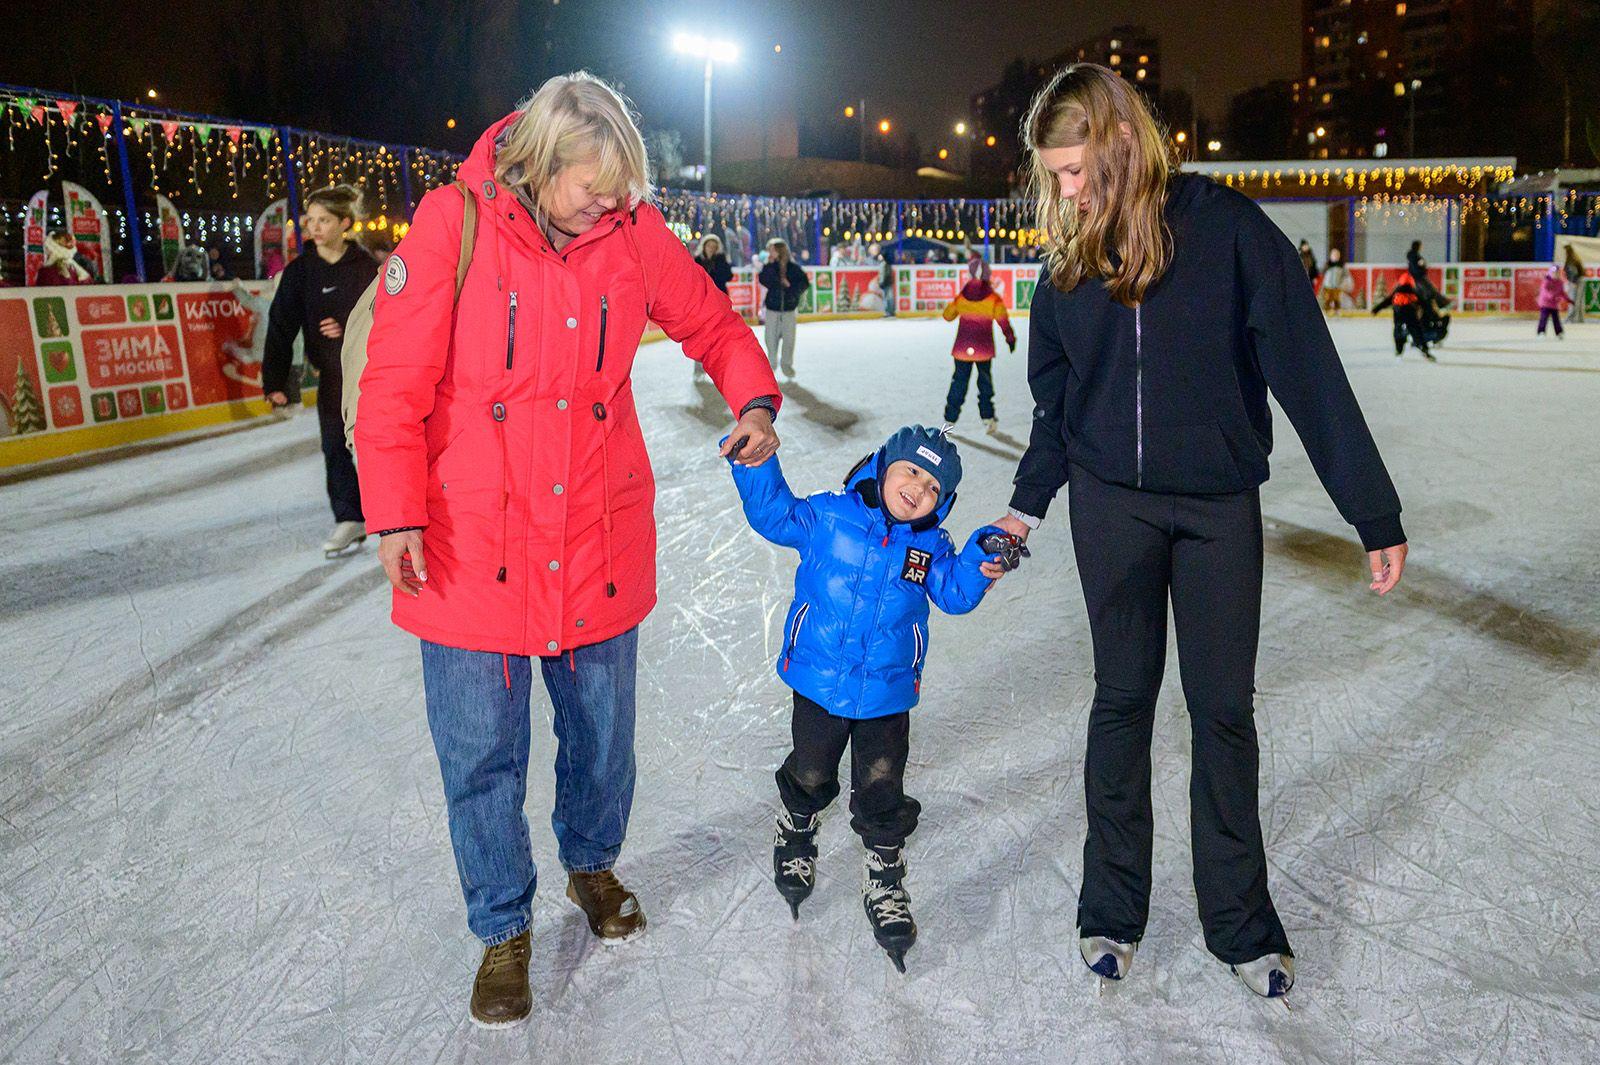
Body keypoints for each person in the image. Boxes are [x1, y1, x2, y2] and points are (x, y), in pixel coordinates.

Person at [354, 71, 782, 1031]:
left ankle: (591, 863)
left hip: (594, 531)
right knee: (481, 754)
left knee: (602, 737)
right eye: (595, 183)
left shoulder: (631, 233)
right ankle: (502, 925)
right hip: (472, 542)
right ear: (543, 161)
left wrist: (754, 398)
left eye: (623, 186)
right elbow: (392, 385)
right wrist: (394, 513)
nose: (610, 201)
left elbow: (710, 322)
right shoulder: (452, 224)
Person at [994, 64, 1407, 1001]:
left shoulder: (1227, 230)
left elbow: (1308, 370)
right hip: (1112, 507)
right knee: (1121, 702)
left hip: (1219, 510)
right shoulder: (1068, 263)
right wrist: (1027, 504)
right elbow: (1058, 407)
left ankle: (1241, 922)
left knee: (1223, 711)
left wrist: (1371, 510)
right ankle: (1111, 908)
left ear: (1122, 141)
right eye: (1055, 175)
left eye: (1078, 169)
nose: (1069, 191)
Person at [727, 424, 1008, 972]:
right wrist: (756, 465)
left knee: (882, 788)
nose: (918, 489)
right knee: (811, 770)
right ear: (881, 468)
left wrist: (980, 558)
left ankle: (884, 875)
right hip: (819, 684)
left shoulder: (931, 548)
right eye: (911, 472)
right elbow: (776, 516)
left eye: (933, 487)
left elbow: (954, 593)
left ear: (944, 502)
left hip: (886, 694)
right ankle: (797, 828)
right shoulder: (830, 516)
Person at [261, 184, 378, 557]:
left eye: (324, 220)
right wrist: (276, 382)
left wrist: (348, 325)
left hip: (374, 375)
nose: (314, 227)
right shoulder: (300, 273)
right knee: (334, 446)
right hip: (333, 377)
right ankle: (351, 517)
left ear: (344, 223)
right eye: (310, 220)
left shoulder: (367, 269)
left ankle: (403, 517)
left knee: (382, 446)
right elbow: (281, 328)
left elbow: (390, 316)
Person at [941, 255, 1015, 432]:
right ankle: (988, 418)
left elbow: (948, 315)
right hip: (984, 349)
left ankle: (949, 420)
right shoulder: (992, 298)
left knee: (959, 382)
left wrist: (956, 305)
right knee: (985, 383)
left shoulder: (963, 296)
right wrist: (1010, 338)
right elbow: (1003, 320)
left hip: (962, 349)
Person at [759, 237, 808, 379]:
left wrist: (790, 288)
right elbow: (763, 280)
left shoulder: (793, 268)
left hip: (788, 309)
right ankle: (772, 363)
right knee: (770, 338)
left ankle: (786, 364)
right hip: (772, 308)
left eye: (772, 250)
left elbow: (804, 284)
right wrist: (769, 266)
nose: (770, 253)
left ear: (780, 251)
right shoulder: (769, 267)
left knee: (789, 339)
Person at [1372, 271, 1437, 359]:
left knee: (1398, 330)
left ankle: (1399, 350)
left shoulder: (1397, 292)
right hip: (1410, 312)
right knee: (1416, 331)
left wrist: (1376, 309)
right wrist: (1431, 312)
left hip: (1398, 312)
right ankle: (1423, 349)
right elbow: (1423, 303)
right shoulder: (1413, 291)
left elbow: (1387, 301)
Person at [1534, 266, 1570, 339]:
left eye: (1557, 273)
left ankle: (1559, 333)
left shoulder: (1560, 282)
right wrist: (1551, 296)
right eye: (1554, 273)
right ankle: (1541, 332)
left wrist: (1568, 300)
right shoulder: (1546, 281)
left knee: (1556, 319)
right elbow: (1545, 290)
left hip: (1554, 304)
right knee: (1544, 318)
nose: (1555, 274)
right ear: (1550, 273)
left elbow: (1562, 292)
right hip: (1545, 304)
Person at [1320, 246, 1354, 313]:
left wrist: (1342, 283)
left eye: (1337, 255)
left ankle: (1337, 310)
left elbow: (1346, 275)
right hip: (1328, 285)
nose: (1335, 257)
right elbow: (1323, 273)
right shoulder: (1327, 264)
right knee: (1328, 299)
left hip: (1337, 285)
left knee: (1336, 299)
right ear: (1330, 256)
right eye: (1333, 255)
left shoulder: (1341, 265)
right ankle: (1327, 311)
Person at [1563, 245, 1585, 324]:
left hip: (1576, 281)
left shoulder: (1571, 260)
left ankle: (1572, 318)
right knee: (1579, 300)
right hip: (1580, 280)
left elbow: (1574, 272)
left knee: (1574, 300)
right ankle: (1579, 319)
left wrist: (1573, 282)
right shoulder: (1574, 258)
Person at [878, 247, 897, 317]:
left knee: (887, 298)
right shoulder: (886, 264)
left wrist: (882, 282)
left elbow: (885, 274)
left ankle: (889, 312)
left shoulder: (885, 264)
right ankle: (891, 311)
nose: (879, 257)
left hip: (886, 283)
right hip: (887, 283)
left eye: (880, 256)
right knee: (889, 297)